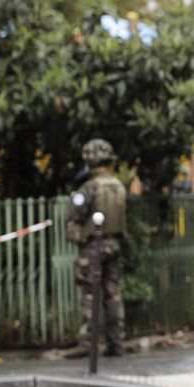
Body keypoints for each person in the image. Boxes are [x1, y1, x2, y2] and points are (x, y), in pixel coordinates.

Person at [66, 138, 127, 358]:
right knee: (113, 294)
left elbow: (76, 213)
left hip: (93, 246)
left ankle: (87, 343)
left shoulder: (90, 187)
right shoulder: (118, 186)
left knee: (89, 295)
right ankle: (116, 343)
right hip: (115, 244)